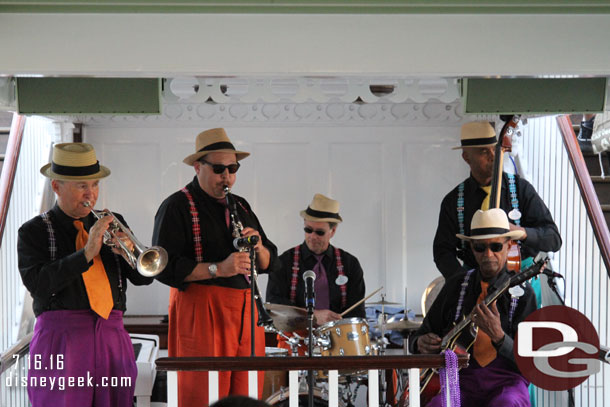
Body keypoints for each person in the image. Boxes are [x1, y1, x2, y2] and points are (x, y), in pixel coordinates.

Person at [17, 143, 153, 407]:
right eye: (81, 186)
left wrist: (128, 254)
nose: (90, 194)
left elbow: (144, 278)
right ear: (57, 187)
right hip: (61, 338)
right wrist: (87, 253)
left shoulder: (112, 222)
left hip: (112, 335)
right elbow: (38, 284)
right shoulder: (33, 231)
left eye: (94, 185)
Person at [152, 128, 278, 405]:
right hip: (201, 307)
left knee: (246, 391)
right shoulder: (176, 206)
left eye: (233, 168)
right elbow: (163, 267)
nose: (227, 177)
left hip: (246, 308)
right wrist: (218, 269)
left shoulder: (241, 205)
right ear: (198, 167)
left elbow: (271, 261)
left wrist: (258, 247)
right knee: (202, 391)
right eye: (219, 168)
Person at [411, 208, 538, 407]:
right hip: (459, 381)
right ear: (471, 248)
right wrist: (420, 343)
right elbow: (419, 335)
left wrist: (499, 337)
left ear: (508, 246)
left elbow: (531, 363)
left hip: (507, 382)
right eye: (480, 247)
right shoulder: (456, 285)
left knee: (508, 403)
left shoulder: (524, 294)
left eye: (496, 246)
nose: (488, 254)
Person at [433, 121, 561, 279]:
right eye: (483, 151)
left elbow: (553, 239)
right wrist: (464, 281)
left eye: (494, 149)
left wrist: (521, 232)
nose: (493, 156)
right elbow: (442, 251)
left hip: (521, 279)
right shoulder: (453, 200)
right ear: (466, 157)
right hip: (474, 279)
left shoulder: (521, 189)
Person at [266, 193, 366, 352]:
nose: (312, 236)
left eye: (319, 232)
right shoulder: (284, 262)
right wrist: (311, 316)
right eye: (308, 230)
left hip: (337, 345)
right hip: (295, 343)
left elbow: (357, 313)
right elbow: (275, 306)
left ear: (332, 231)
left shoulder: (350, 264)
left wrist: (336, 325)